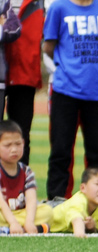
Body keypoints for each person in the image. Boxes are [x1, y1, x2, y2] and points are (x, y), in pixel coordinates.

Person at [42, 0, 98, 199]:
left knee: (97, 154)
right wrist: (67, 65)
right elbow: (48, 46)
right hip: (65, 89)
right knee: (61, 151)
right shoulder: (58, 8)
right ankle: (57, 201)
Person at [4, 0, 44, 165]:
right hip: (2, 68)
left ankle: (21, 187)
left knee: (20, 137)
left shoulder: (41, 2)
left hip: (24, 72)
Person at [0, 120, 52, 234]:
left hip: (20, 213)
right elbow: (1, 202)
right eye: (8, 145)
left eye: (18, 144)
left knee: (47, 211)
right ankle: (17, 227)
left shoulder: (26, 171)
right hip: (3, 213)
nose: (14, 149)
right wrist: (13, 222)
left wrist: (29, 221)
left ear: (23, 143)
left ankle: (14, 229)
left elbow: (31, 199)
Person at [50, 167, 98, 238]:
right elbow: (76, 217)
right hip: (50, 212)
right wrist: (80, 234)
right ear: (83, 188)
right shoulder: (79, 200)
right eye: (97, 184)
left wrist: (92, 227)